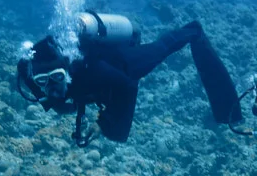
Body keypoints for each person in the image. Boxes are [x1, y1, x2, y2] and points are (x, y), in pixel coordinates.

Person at [16, 11, 240, 144]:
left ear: (67, 71)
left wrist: (103, 124)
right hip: (94, 77)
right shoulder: (31, 74)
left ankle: (193, 31)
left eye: (56, 77)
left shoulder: (94, 70)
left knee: (160, 48)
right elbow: (32, 78)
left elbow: (128, 86)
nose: (52, 87)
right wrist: (52, 98)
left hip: (120, 62)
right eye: (44, 82)